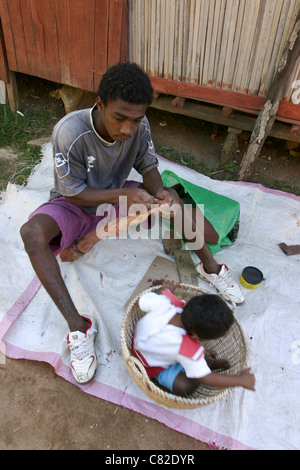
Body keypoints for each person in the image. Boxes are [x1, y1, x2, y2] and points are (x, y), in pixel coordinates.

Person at [20, 62, 244, 385]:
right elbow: (73, 194)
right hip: (76, 204)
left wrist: (158, 192)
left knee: (172, 202)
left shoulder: (140, 126)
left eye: (135, 120)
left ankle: (210, 266)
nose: (128, 129)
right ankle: (79, 327)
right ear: (100, 104)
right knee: (32, 234)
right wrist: (124, 195)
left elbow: (148, 165)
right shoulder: (69, 131)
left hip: (115, 200)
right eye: (120, 118)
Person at [132, 281, 255, 396]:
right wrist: (239, 380)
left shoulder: (165, 302)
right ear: (196, 336)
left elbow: (140, 301)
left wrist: (164, 291)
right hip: (153, 365)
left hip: (139, 345)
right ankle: (205, 363)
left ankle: (201, 361)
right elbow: (206, 378)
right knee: (185, 387)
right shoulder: (187, 347)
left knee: (190, 357)